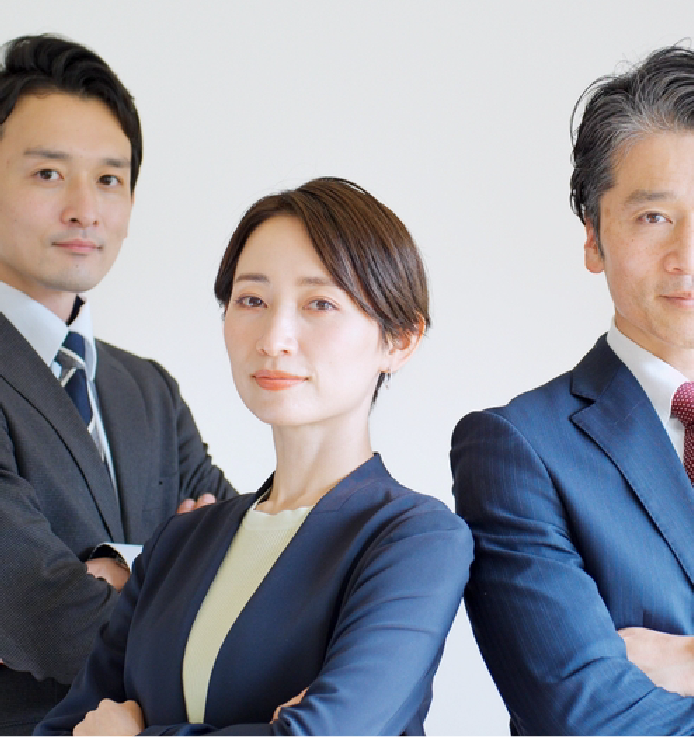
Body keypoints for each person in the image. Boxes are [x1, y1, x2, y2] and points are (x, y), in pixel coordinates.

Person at [35, 177, 472, 737]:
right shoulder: (180, 543)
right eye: (252, 300)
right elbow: (61, 729)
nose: (274, 337)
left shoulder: (415, 539)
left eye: (319, 302)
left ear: (399, 340)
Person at [452, 46, 694, 736]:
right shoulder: (517, 449)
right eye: (653, 218)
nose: (691, 256)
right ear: (592, 237)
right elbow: (582, 714)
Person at [0, 35, 235, 737]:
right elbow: (45, 615)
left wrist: (113, 570)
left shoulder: (145, 387)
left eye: (110, 179)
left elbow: (251, 570)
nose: (86, 210)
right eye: (49, 175)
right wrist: (172, 572)